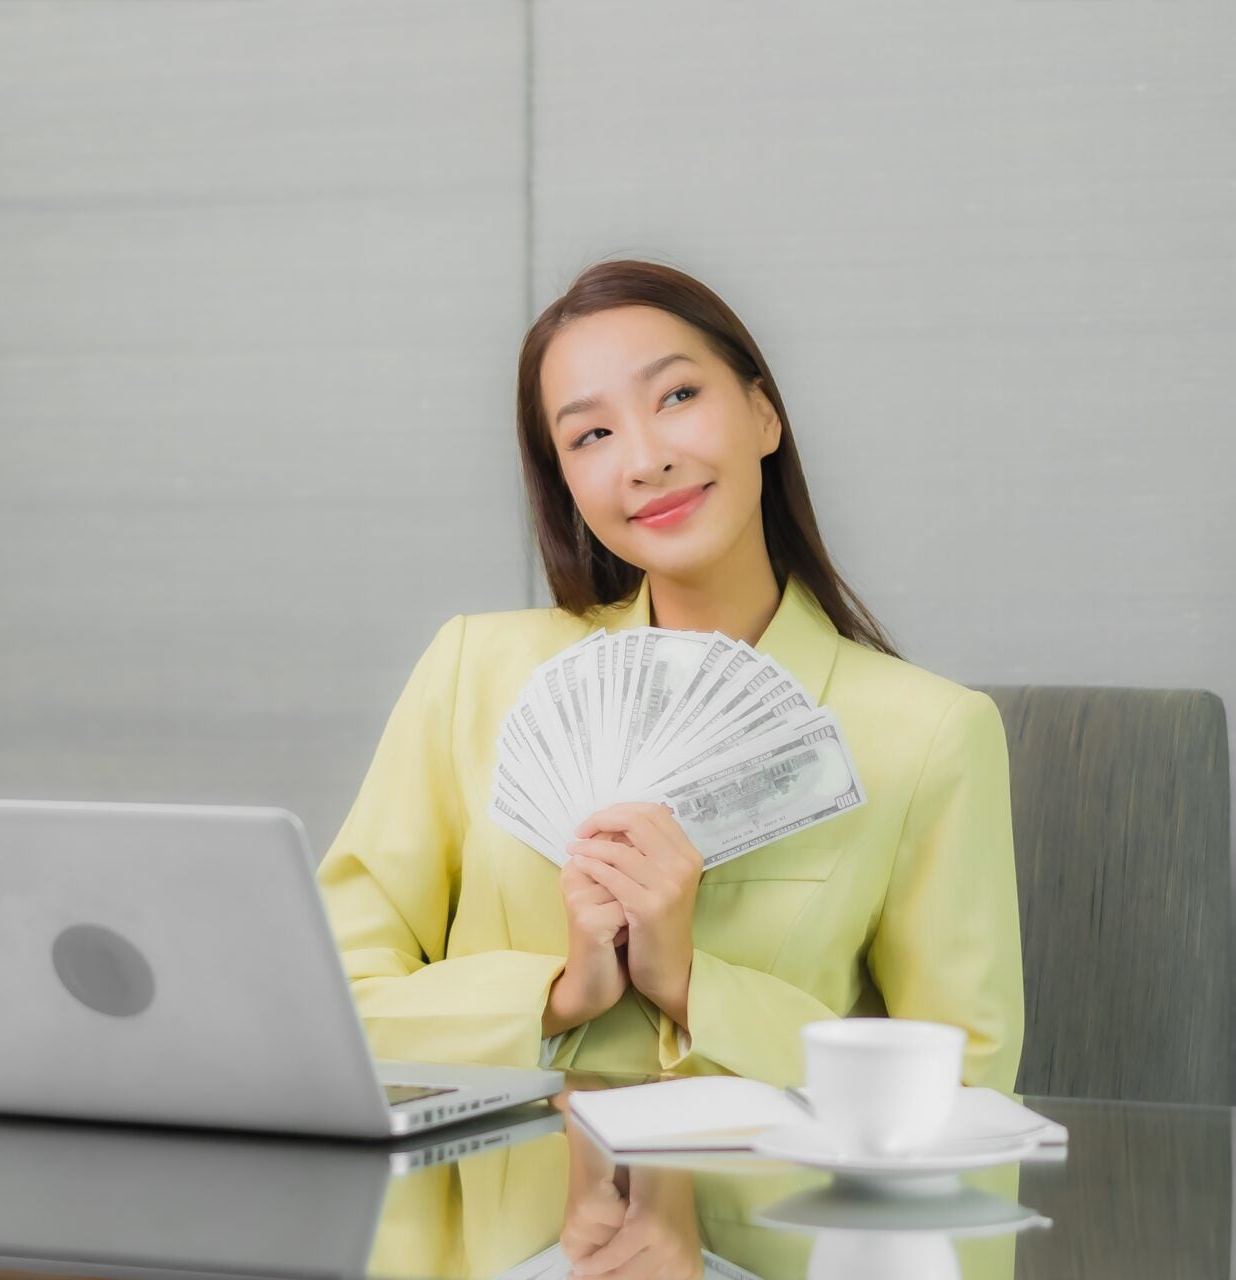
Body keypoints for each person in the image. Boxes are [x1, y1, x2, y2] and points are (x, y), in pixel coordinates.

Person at [315, 259, 1023, 1090]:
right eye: (591, 435)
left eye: (677, 396)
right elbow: (325, 1003)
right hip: (494, 1174)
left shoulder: (930, 734)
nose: (644, 460)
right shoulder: (473, 672)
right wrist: (556, 995)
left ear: (764, 414)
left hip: (752, 1178)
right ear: (564, 481)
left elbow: (965, 1090)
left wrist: (691, 984)